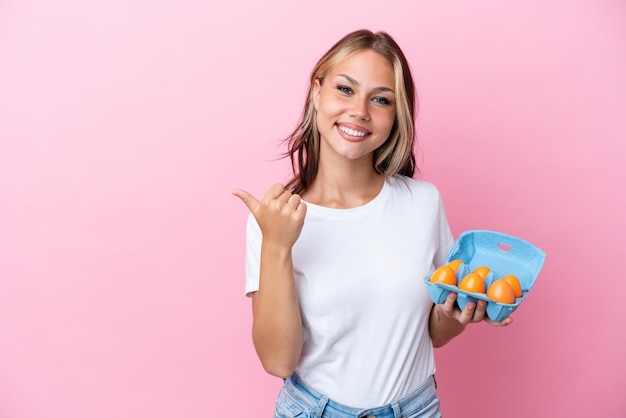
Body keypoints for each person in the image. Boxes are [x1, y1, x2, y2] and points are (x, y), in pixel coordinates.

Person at [232, 29, 511, 418]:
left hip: (416, 408)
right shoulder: (275, 219)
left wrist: (455, 311)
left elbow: (434, 332)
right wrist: (277, 246)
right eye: (345, 89)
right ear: (317, 92)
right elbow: (278, 362)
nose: (360, 111)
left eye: (380, 99)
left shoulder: (423, 203)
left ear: (396, 116)